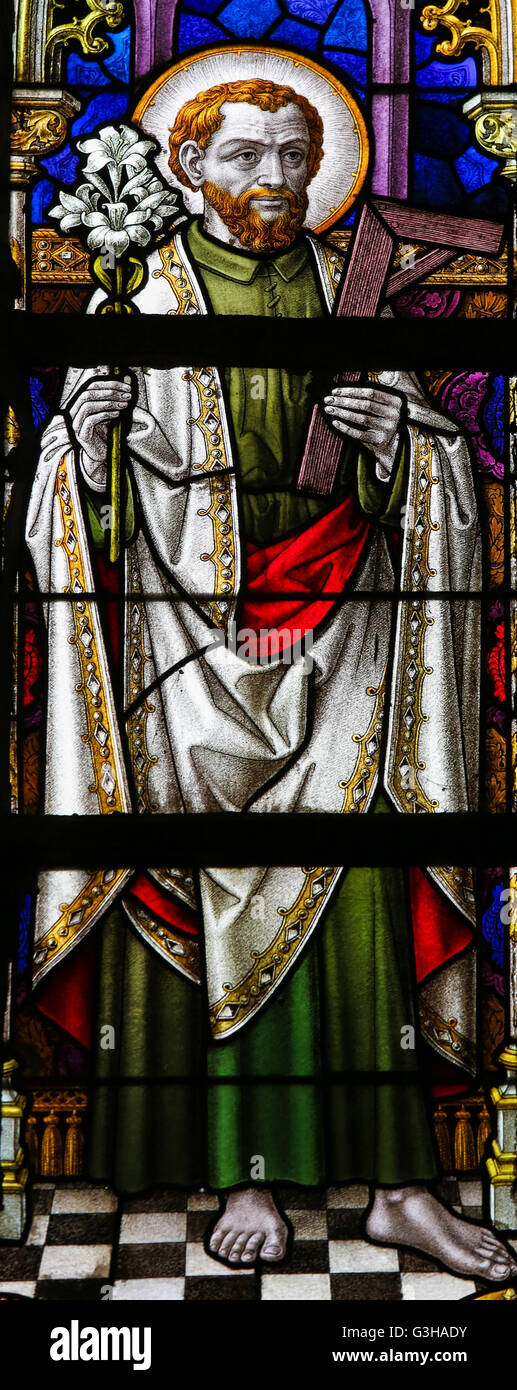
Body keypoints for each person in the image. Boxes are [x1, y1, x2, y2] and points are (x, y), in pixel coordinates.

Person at [26, 73, 517, 1282]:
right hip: (180, 652)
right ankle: (231, 1167)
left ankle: (397, 1186)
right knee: (180, 886)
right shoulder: (135, 287)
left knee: (356, 891)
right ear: (188, 170)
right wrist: (83, 449)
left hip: (343, 632)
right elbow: (62, 495)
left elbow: (438, 477)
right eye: (246, 157)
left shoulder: (354, 285)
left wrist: (401, 442)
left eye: (297, 157)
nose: (277, 182)